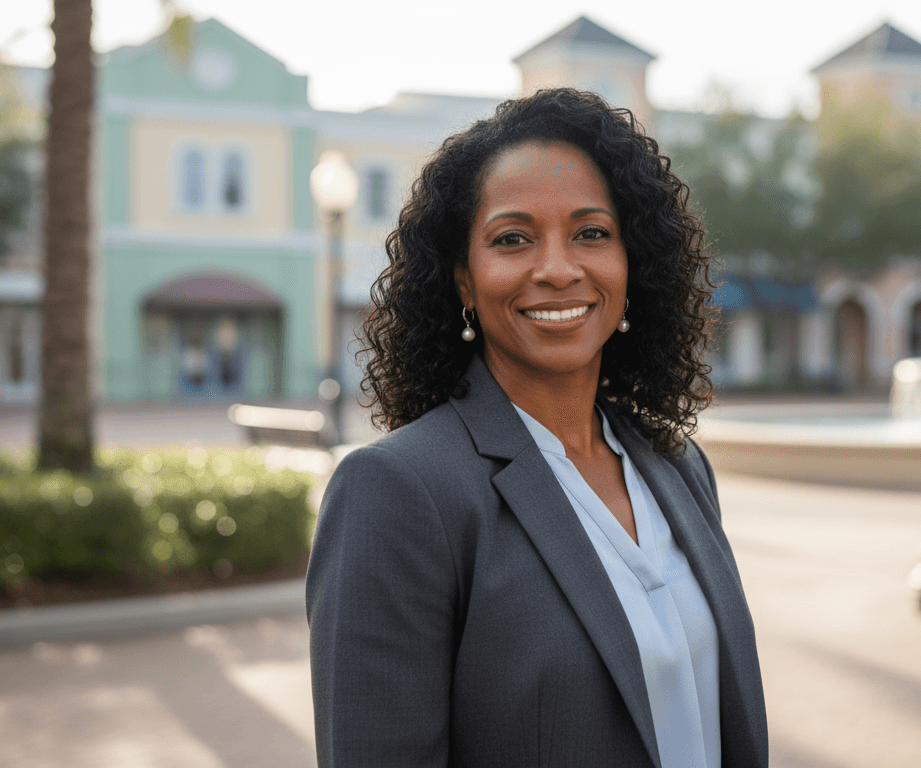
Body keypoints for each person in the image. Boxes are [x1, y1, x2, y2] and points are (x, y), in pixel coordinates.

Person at [306, 88, 768, 768]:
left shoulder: (676, 465)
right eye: (513, 239)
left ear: (631, 264)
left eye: (591, 233)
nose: (557, 268)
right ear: (465, 280)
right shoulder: (399, 491)